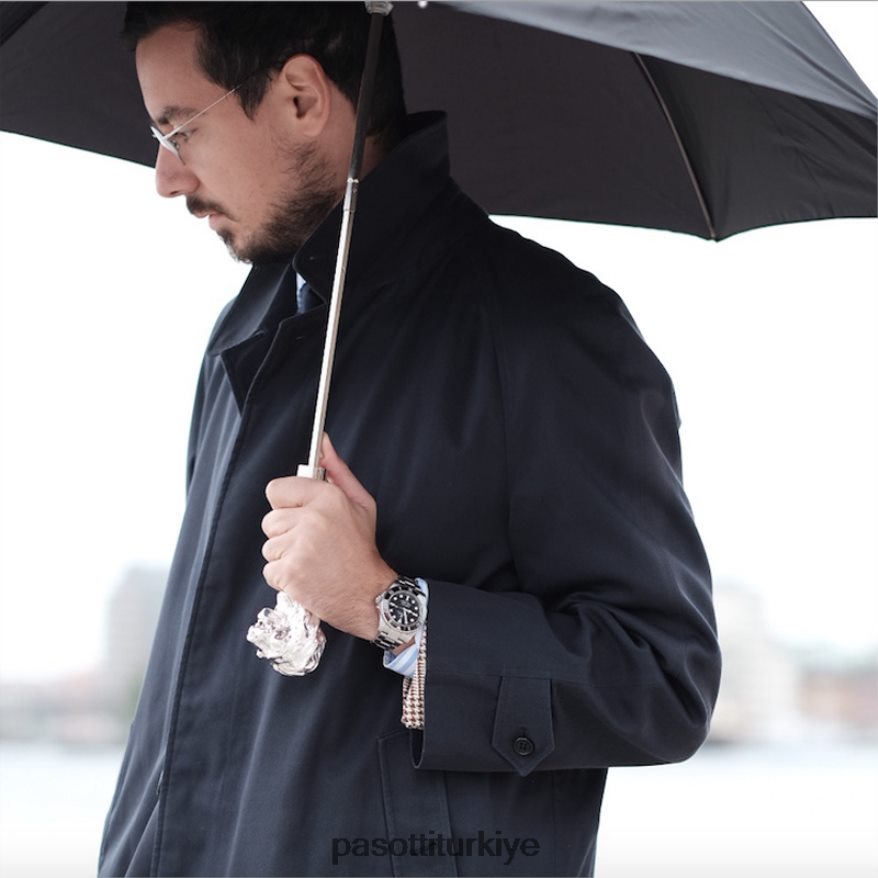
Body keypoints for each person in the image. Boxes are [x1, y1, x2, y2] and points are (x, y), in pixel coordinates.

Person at [98, 3, 721, 876]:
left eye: (179, 130)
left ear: (302, 97)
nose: (166, 177)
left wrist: (390, 609)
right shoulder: (245, 331)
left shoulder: (544, 332)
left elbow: (661, 685)